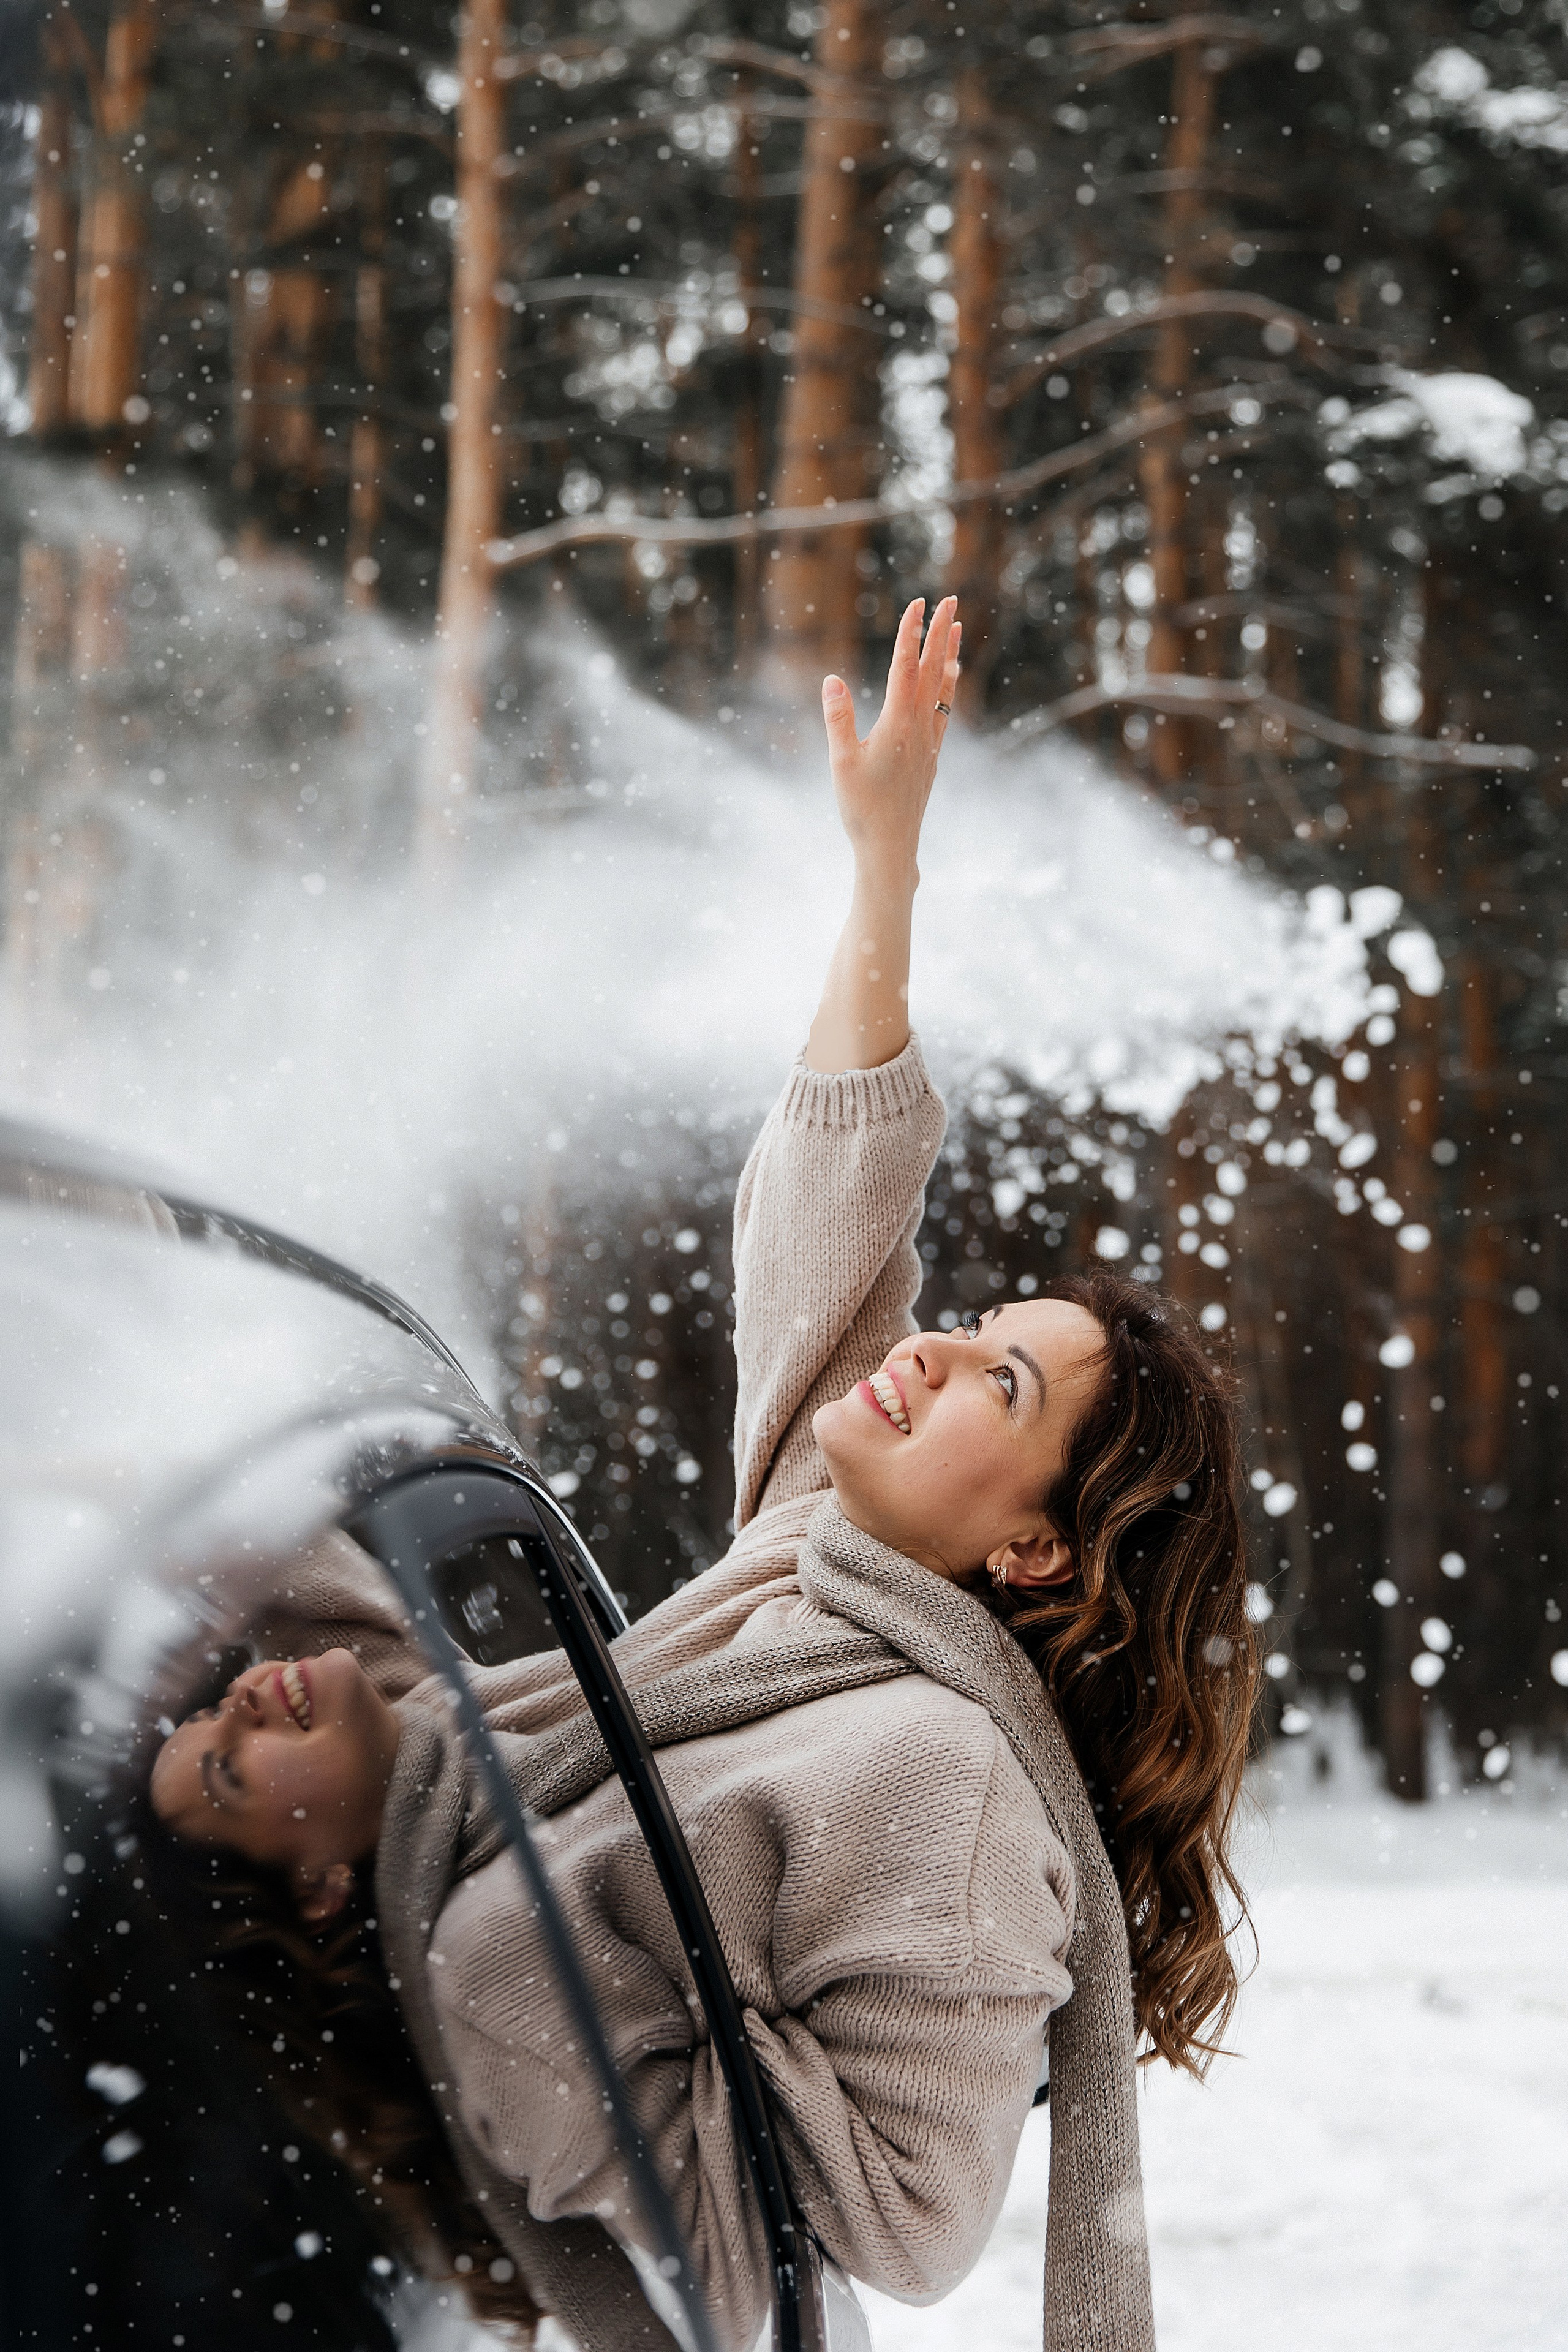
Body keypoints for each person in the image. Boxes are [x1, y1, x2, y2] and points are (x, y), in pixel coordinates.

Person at [150, 597, 1259, 2352]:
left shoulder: (947, 1788)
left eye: (1000, 1380)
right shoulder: (832, 1557)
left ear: (1037, 1552)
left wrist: (523, 1986)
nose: (933, 1345)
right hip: (337, 1961)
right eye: (970, 1322)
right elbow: (837, 1204)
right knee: (197, 1492)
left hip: (407, 2205)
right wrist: (885, 865)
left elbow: (882, 2229)